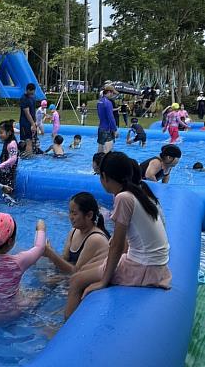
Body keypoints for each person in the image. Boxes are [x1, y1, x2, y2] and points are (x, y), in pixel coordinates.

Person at [64, 152, 171, 320]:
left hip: (143, 267)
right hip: (155, 264)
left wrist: (104, 281)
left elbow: (117, 246)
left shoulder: (123, 198)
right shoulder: (141, 191)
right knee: (85, 270)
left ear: (105, 176)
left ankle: (64, 332)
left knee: (76, 280)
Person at [44, 192, 110, 274]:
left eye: (74, 213)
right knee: (38, 264)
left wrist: (51, 254)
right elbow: (65, 259)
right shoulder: (74, 231)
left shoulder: (95, 239)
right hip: (75, 274)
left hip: (86, 277)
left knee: (46, 280)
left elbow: (76, 271)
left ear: (89, 215)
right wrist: (49, 252)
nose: (70, 217)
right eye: (70, 212)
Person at [0, 120, 19, 198]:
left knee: (9, 191)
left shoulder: (12, 144)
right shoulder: (7, 141)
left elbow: (13, 159)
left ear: (9, 132)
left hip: (9, 172)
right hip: (4, 170)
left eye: (1, 133)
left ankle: (13, 204)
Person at [97, 85, 118, 153]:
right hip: (107, 129)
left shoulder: (100, 101)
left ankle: (96, 163)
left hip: (101, 127)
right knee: (107, 152)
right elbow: (111, 117)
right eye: (113, 93)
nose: (113, 95)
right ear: (109, 92)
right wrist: (114, 130)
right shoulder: (108, 103)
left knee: (100, 151)